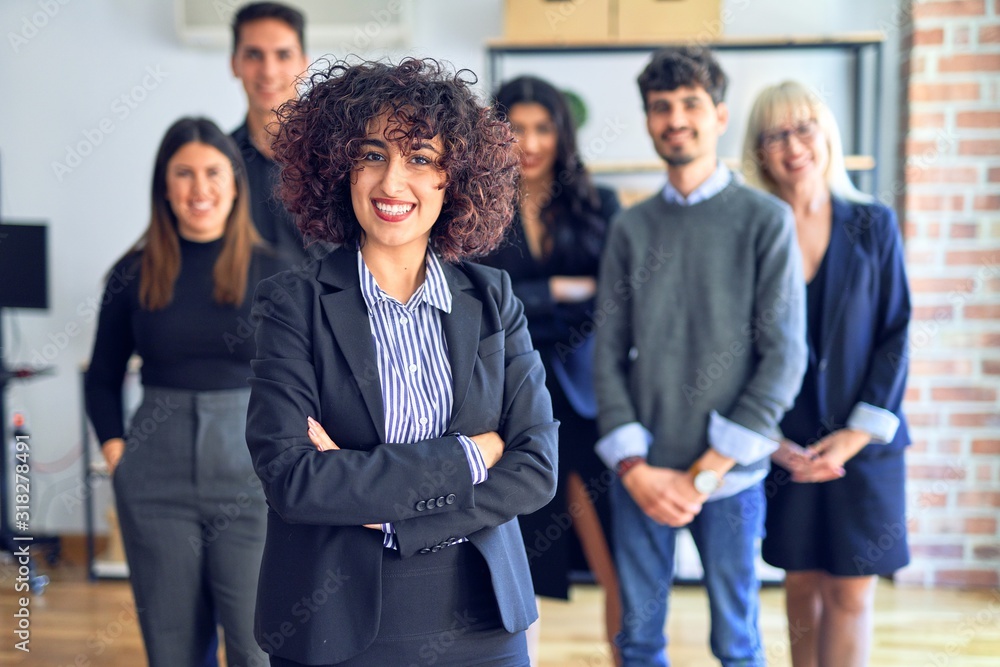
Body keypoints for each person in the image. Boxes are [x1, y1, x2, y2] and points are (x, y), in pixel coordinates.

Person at [244, 58, 558, 666]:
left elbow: (536, 465)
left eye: (420, 158)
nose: (392, 182)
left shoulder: (493, 298)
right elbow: (295, 480)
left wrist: (387, 510)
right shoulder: (292, 306)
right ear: (340, 170)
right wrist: (469, 456)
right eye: (371, 155)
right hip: (334, 621)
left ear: (454, 177)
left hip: (484, 621)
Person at [592, 47, 808, 666]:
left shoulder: (765, 220)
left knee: (738, 642)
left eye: (690, 104)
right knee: (637, 640)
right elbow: (604, 354)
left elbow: (785, 356)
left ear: (719, 115)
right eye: (661, 108)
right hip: (644, 474)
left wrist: (707, 472)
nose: (675, 119)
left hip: (731, 475)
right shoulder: (630, 230)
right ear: (649, 121)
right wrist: (635, 466)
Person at [84, 117, 289, 666]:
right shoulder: (132, 274)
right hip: (156, 476)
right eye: (184, 174)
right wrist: (117, 455)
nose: (200, 189)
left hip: (252, 476)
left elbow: (307, 377)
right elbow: (101, 377)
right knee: (173, 647)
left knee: (256, 644)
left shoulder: (278, 271)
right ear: (164, 185)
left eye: (213, 172)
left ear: (236, 182)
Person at [741, 80, 911, 667]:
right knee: (802, 584)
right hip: (786, 444)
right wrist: (773, 442)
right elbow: (736, 348)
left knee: (850, 590)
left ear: (827, 134)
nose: (792, 145)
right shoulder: (753, 235)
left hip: (863, 447)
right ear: (758, 151)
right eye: (775, 134)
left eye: (803, 127)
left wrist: (858, 433)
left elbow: (896, 334)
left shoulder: (873, 225)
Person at [482, 75, 621, 666]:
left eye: (543, 128)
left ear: (562, 135)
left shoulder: (599, 205)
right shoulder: (478, 207)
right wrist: (558, 290)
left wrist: (530, 297)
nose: (530, 142)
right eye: (516, 128)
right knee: (523, 561)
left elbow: (616, 298)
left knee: (618, 559)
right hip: (512, 395)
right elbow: (483, 300)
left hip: (589, 397)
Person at [230, 2, 311, 264]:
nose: (268, 71)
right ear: (235, 64)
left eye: (283, 55)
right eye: (254, 55)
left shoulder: (338, 155)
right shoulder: (218, 159)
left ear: (304, 64)